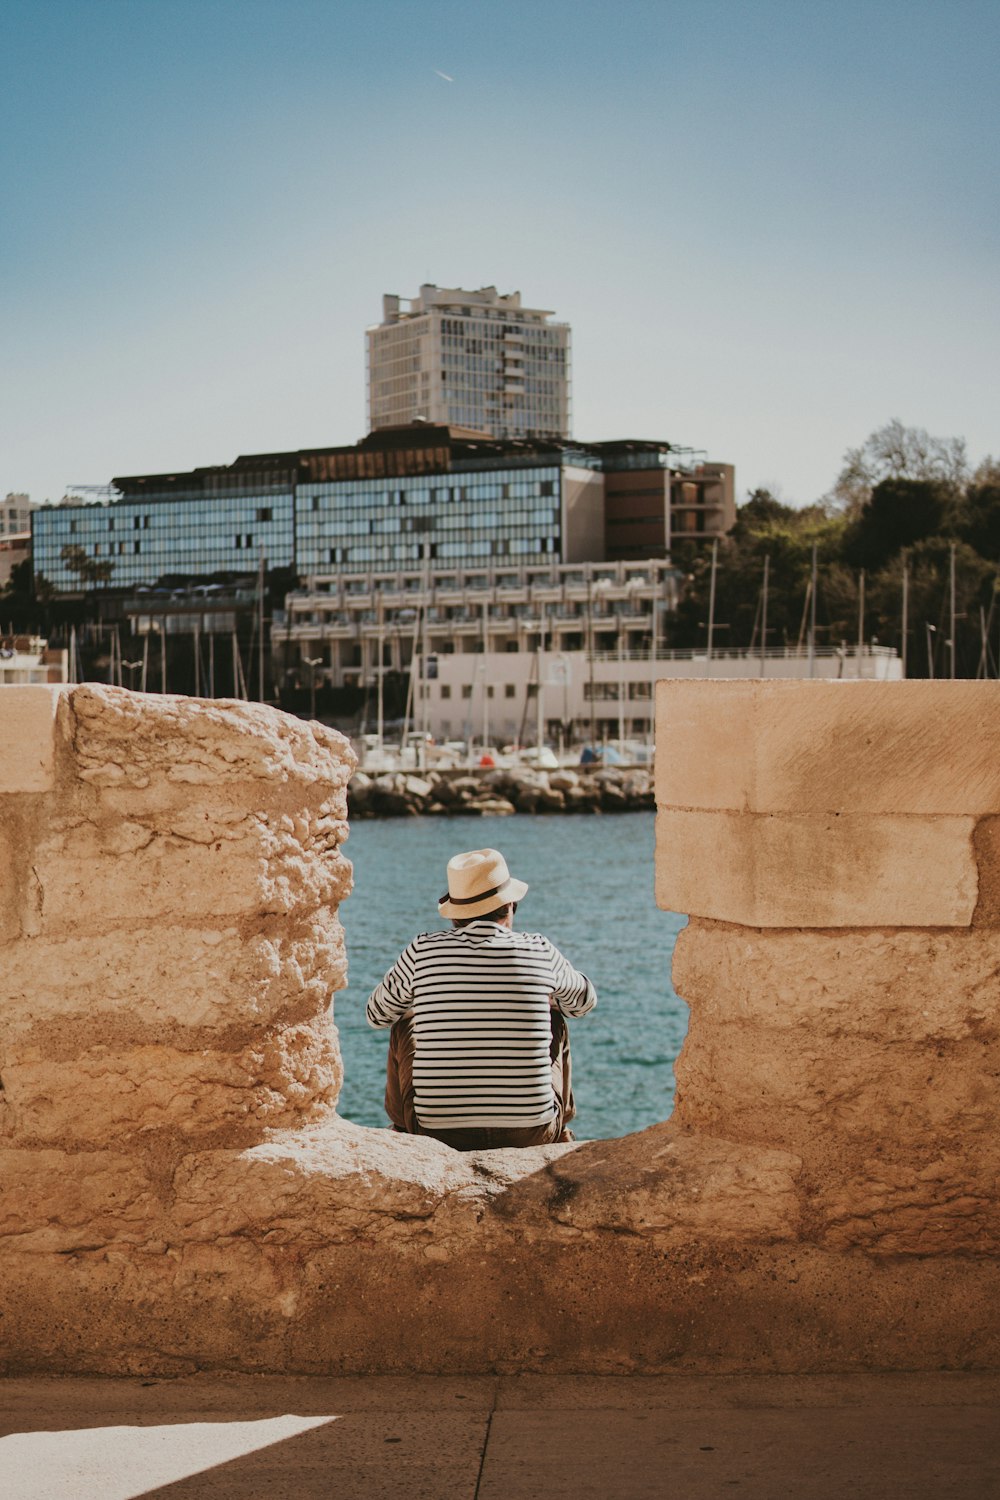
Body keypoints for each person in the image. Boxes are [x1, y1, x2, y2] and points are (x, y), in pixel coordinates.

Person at [366, 847, 596, 1150]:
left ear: (455, 916)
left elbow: (377, 1015)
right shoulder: (538, 949)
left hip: (436, 1132)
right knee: (555, 1017)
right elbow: (584, 1003)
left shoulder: (422, 949)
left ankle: (400, 1129)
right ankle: (561, 1129)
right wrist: (545, 997)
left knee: (403, 1020)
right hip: (531, 1131)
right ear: (510, 905)